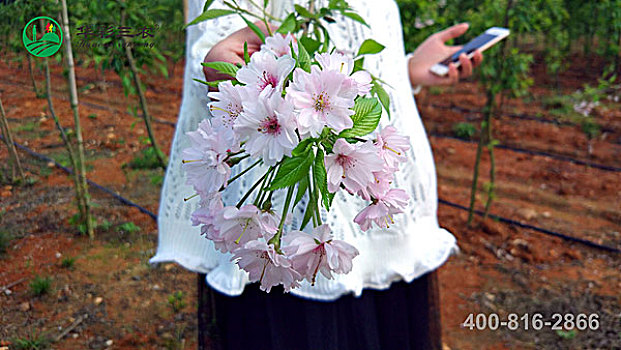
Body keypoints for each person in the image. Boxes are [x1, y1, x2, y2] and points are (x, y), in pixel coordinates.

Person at [151, 0, 482, 349]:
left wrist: (408, 68)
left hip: (385, 211)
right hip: (290, 229)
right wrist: (219, 59)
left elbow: (355, 49)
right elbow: (223, 35)